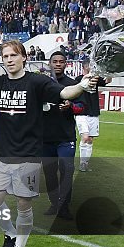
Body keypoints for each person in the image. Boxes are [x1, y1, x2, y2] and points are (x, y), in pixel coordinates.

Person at [0, 38, 93, 247]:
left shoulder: (37, 82)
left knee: (23, 205)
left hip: (29, 155)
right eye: (6, 57)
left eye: (13, 55)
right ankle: (10, 235)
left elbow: (65, 92)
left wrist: (82, 85)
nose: (9, 60)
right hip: (0, 154)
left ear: (24, 57)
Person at [40, 51, 77, 219]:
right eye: (54, 61)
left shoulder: (72, 84)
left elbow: (82, 106)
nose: (57, 64)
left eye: (61, 61)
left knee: (67, 169)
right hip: (45, 137)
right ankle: (54, 203)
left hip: (66, 137)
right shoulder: (41, 83)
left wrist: (71, 106)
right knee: (49, 172)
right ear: (50, 63)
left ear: (66, 64)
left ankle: (64, 206)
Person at [73, 60, 106, 172]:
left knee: (90, 139)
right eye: (90, 66)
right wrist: (87, 77)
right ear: (84, 67)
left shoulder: (96, 79)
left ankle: (85, 163)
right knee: (85, 137)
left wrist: (110, 73)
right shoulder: (78, 79)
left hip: (94, 112)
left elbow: (107, 81)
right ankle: (82, 163)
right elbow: (76, 88)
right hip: (82, 112)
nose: (91, 68)